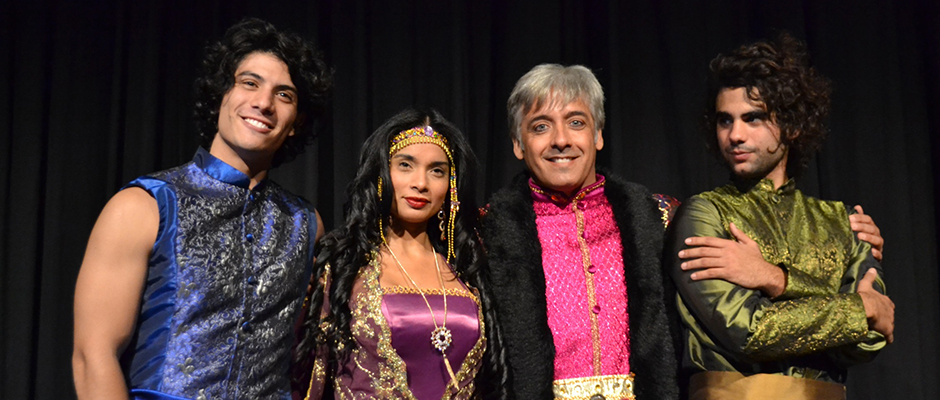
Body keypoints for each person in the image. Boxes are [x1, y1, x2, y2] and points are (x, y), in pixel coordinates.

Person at [72, 18, 332, 400]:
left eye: (284, 95)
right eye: (250, 83)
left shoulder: (305, 225)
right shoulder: (144, 206)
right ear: (221, 94)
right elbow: (93, 356)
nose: (263, 103)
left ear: (297, 123)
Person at [666, 33, 894, 399]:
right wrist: (859, 308)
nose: (735, 135)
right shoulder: (705, 214)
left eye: (753, 118)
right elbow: (748, 331)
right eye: (725, 121)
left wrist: (775, 280)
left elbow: (869, 340)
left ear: (792, 125)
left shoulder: (844, 221)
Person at [482, 64, 679, 400]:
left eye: (576, 123)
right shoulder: (488, 232)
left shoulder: (658, 217)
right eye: (541, 127)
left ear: (598, 135)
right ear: (518, 144)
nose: (561, 140)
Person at [293, 108, 506, 399]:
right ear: (381, 172)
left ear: (451, 187)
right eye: (405, 165)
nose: (421, 183)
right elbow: (311, 377)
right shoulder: (344, 265)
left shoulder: (470, 269)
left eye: (437, 171)